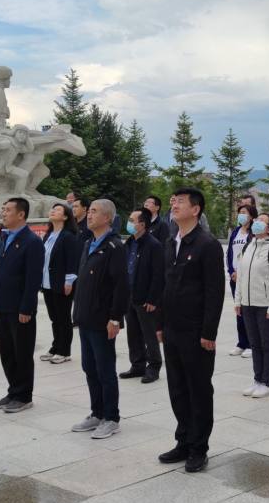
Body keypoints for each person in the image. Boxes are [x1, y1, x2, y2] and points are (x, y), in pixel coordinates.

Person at [156, 187, 225, 473]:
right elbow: (165, 285)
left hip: (196, 332)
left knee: (198, 390)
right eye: (173, 201)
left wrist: (209, 332)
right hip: (172, 329)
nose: (174, 205)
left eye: (180, 202)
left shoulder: (207, 244)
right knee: (177, 388)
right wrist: (160, 323)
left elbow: (215, 292)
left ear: (195, 209)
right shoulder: (171, 242)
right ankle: (183, 440)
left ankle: (199, 448)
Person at [70, 199, 130, 439]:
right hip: (85, 317)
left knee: (105, 369)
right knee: (89, 367)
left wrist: (115, 318)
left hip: (102, 319)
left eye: (94, 212)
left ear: (107, 218)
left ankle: (111, 417)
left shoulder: (114, 246)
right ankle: (97, 412)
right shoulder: (88, 243)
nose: (89, 215)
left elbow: (121, 286)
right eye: (89, 211)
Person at [0, 197, 45, 413]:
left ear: (21, 214)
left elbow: (33, 279)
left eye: (8, 210)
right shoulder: (4, 236)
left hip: (20, 308)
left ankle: (23, 396)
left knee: (22, 352)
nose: (3, 213)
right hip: (3, 304)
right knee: (7, 352)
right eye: (3, 209)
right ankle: (13, 390)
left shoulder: (32, 241)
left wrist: (27, 308)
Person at [234, 212, 269, 398]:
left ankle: (266, 382)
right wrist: (238, 300)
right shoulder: (248, 246)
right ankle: (257, 379)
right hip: (247, 304)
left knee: (266, 344)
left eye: (262, 221)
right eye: (257, 220)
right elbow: (240, 276)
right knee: (254, 344)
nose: (256, 222)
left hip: (265, 305)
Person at [120, 207, 165, 383]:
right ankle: (137, 365)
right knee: (133, 333)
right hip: (128, 296)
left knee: (149, 334)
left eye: (132, 221)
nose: (129, 223)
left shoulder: (154, 245)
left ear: (143, 224)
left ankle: (153, 366)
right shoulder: (129, 242)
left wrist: (153, 299)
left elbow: (158, 274)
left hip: (145, 298)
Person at [38, 201, 80, 364]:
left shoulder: (68, 236)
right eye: (52, 209)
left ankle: (64, 351)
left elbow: (72, 261)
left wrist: (69, 281)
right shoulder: (48, 235)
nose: (53, 211)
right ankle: (55, 347)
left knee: (63, 318)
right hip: (48, 283)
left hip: (62, 283)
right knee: (54, 318)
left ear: (65, 217)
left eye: (57, 210)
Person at [226, 205, 257, 358]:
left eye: (244, 213)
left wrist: (242, 273)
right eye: (239, 213)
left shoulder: (254, 233)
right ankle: (241, 343)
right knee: (239, 311)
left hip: (248, 277)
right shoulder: (235, 232)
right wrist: (231, 271)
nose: (241, 215)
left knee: (248, 311)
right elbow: (230, 254)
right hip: (235, 278)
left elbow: (254, 255)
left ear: (251, 216)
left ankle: (252, 344)